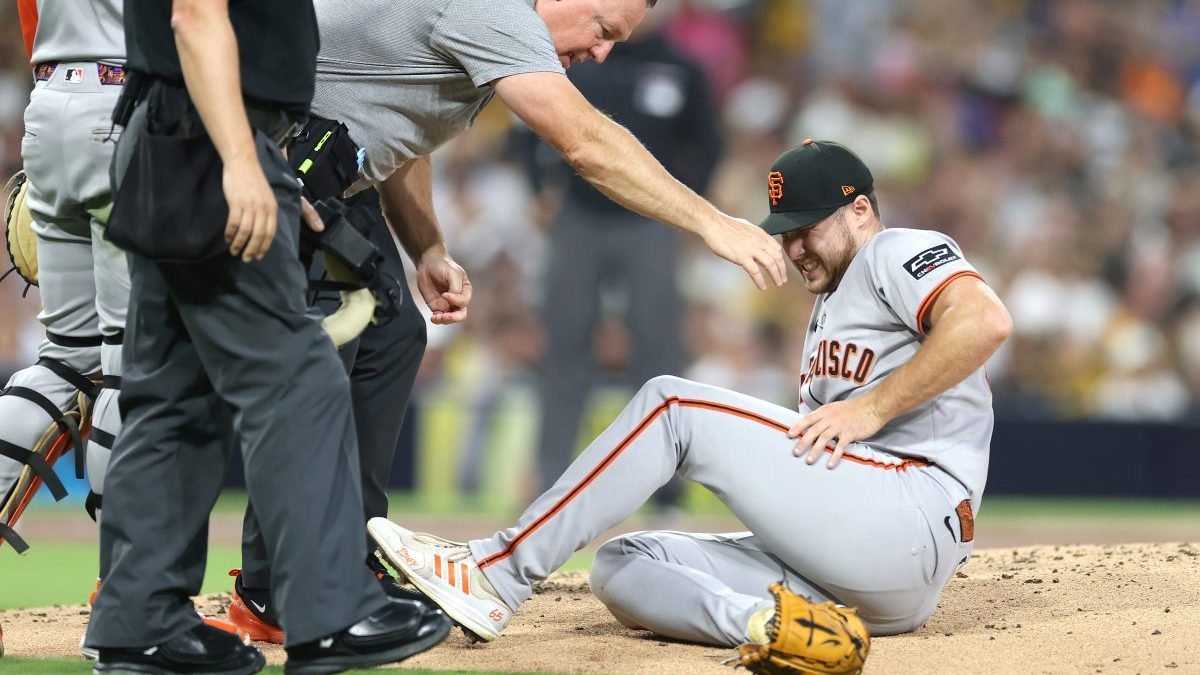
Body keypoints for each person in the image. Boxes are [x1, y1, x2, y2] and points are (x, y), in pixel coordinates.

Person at [224, 0, 788, 642]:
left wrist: (428, 247)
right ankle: (278, 593)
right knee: (321, 365)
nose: (602, 52)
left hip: (324, 175)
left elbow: (400, 129)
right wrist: (713, 222)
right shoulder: (493, 10)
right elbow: (585, 141)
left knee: (392, 336)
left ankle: (347, 564)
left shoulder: (490, 25)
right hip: (260, 165)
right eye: (603, 30)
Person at [368, 140, 1013, 663]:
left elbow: (984, 321)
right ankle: (773, 626)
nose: (793, 248)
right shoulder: (830, 304)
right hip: (857, 571)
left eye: (808, 228)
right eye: (786, 232)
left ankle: (497, 572)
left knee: (671, 405)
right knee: (626, 564)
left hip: (911, 512)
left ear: (861, 210)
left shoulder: (892, 250)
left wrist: (870, 409)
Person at [83, 1, 450, 673]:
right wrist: (240, 158)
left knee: (175, 395)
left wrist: (264, 160)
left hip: (176, 136)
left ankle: (141, 621)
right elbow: (196, 15)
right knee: (300, 377)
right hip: (211, 142)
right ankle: (329, 611)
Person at [521, 17, 723, 506]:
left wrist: (687, 206)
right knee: (564, 344)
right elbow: (527, 124)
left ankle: (666, 486)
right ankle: (551, 480)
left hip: (649, 222)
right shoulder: (580, 58)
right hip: (578, 216)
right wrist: (538, 188)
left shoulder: (681, 68)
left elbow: (709, 144)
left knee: (659, 347)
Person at [0, 0, 126, 554]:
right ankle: (128, 592)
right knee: (132, 367)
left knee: (66, 360)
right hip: (131, 99)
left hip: (49, 100)